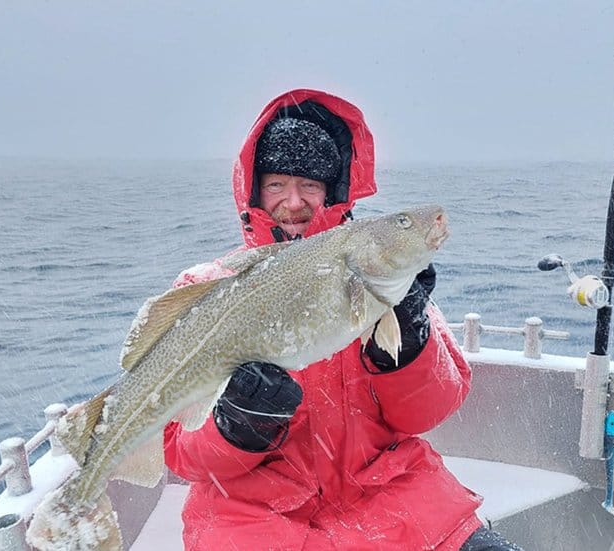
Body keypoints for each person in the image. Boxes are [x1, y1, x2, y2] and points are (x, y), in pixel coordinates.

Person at [163, 89, 522, 551]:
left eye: (310, 185)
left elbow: (433, 409)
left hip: (396, 507)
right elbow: (180, 453)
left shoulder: (376, 273)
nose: (293, 202)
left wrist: (409, 344)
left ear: (332, 192)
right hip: (253, 526)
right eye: (276, 184)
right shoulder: (207, 285)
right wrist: (236, 426)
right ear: (253, 191)